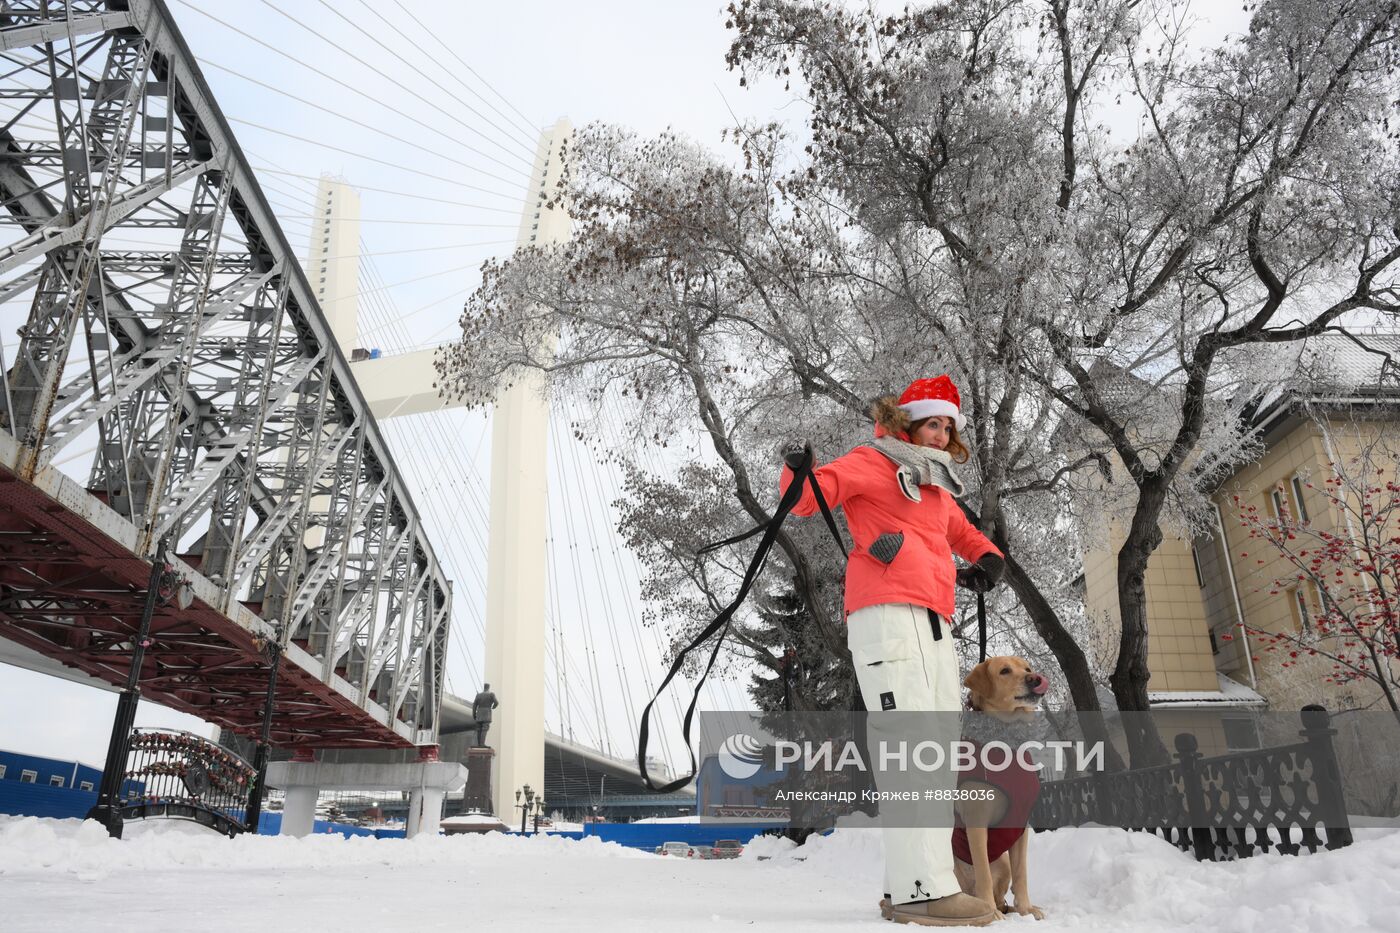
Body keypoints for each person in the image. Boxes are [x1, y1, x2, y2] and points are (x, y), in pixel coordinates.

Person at [779, 374, 1006, 928]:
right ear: (907, 422)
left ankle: (902, 887)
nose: (941, 434)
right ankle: (923, 890)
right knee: (911, 747)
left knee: (934, 752)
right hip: (886, 617)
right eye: (934, 423)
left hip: (934, 622)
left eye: (948, 426)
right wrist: (797, 466)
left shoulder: (935, 487)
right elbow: (808, 498)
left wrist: (987, 559)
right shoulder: (874, 461)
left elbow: (964, 532)